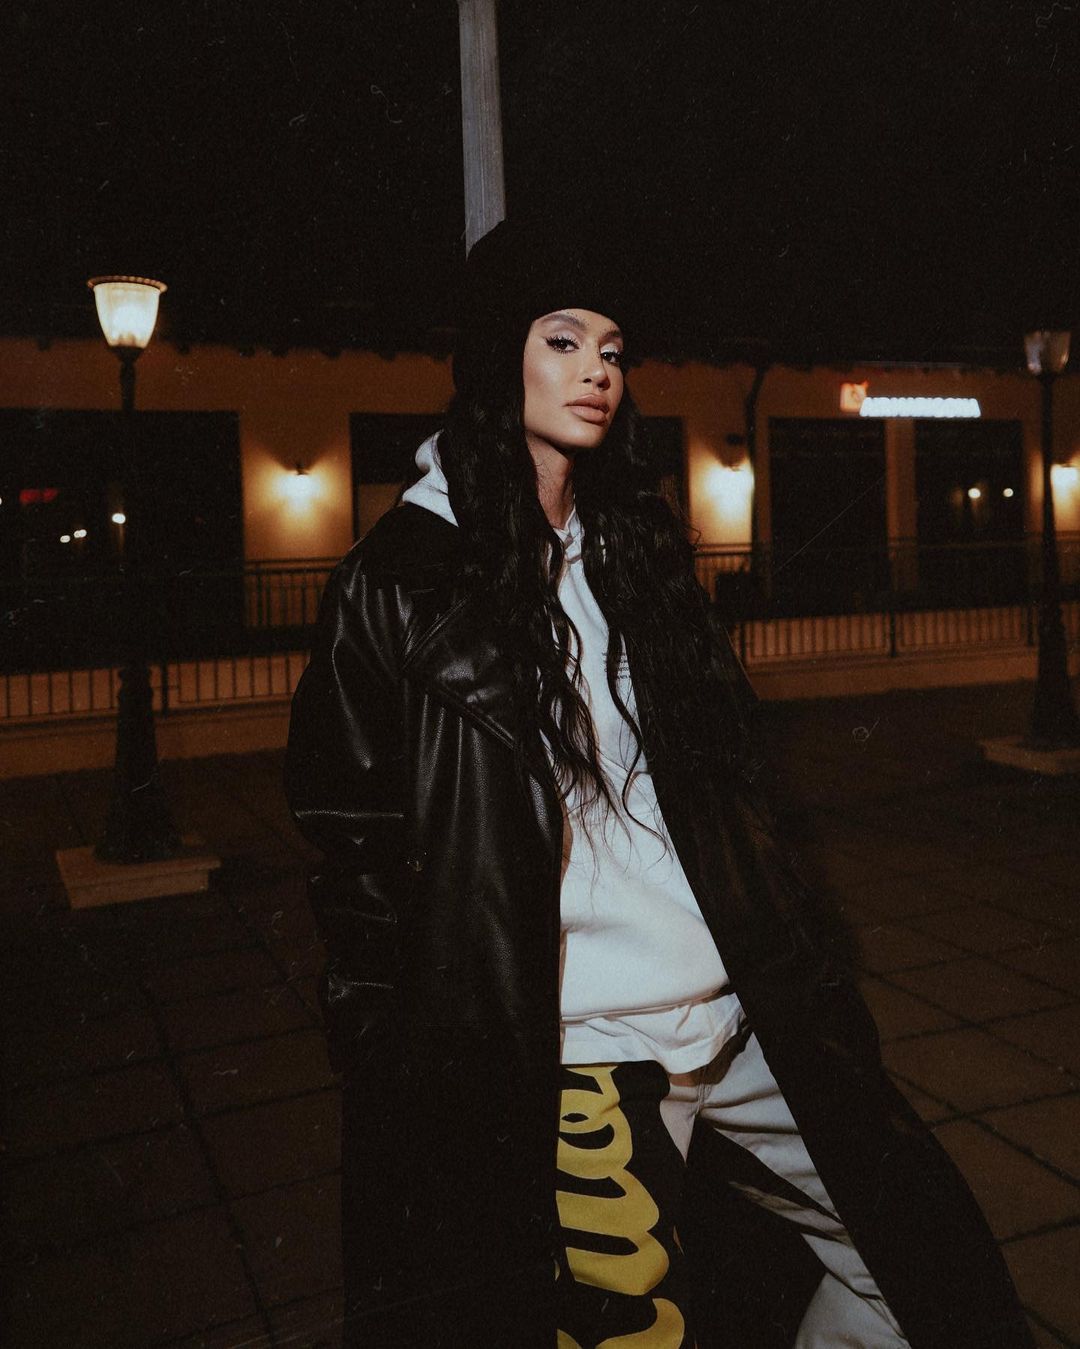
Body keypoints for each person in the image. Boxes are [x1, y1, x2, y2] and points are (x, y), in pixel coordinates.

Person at [284, 217, 1032, 1348]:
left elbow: (731, 792)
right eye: (563, 340)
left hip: (740, 1014)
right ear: (497, 357)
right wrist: (398, 1064)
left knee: (925, 1273)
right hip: (588, 1051)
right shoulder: (401, 580)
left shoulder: (630, 549)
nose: (597, 370)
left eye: (613, 349)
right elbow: (352, 840)